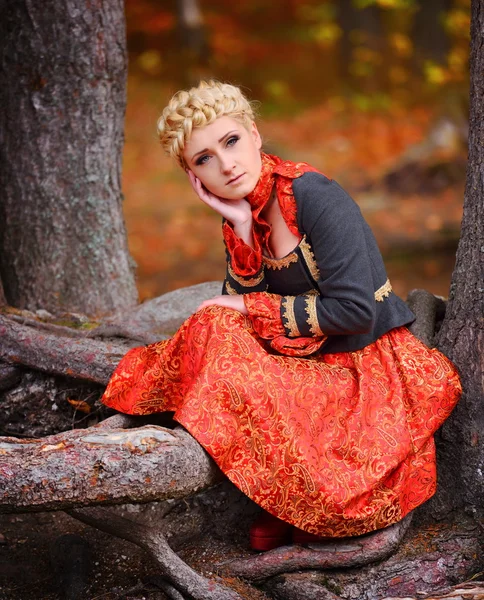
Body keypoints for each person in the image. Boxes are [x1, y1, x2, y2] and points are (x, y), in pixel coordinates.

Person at [101, 80, 461, 551]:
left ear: (254, 134)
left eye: (230, 142)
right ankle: (279, 497)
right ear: (191, 174)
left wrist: (249, 304)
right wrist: (246, 232)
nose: (226, 165)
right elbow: (242, 310)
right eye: (203, 159)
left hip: (363, 365)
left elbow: (353, 310)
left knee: (223, 325)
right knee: (214, 327)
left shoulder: (316, 196)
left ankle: (295, 505)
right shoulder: (239, 213)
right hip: (303, 360)